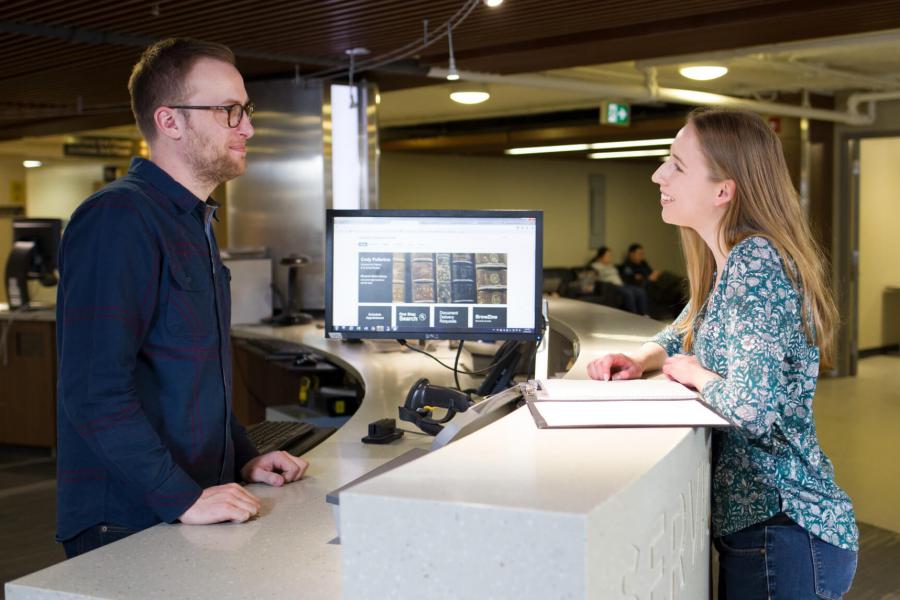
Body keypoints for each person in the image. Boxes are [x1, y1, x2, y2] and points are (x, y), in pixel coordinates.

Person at [587, 108, 857, 599]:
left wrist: (694, 375)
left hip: (784, 527)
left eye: (677, 165)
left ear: (723, 190)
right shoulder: (730, 261)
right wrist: (642, 358)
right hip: (770, 530)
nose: (658, 174)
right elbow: (684, 329)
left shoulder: (755, 262)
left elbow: (752, 410)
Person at [55, 38, 308, 559]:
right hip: (128, 522)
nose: (248, 128)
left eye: (247, 110)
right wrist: (181, 497)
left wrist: (242, 458)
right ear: (169, 121)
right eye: (228, 111)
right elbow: (92, 392)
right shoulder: (118, 218)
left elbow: (194, 380)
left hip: (188, 506)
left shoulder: (194, 223)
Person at [588, 246, 649, 315]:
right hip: (613, 286)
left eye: (610, 256)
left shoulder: (610, 266)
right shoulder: (595, 266)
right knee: (629, 293)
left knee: (641, 291)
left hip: (622, 284)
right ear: (601, 257)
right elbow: (592, 279)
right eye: (608, 256)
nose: (610, 258)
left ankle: (645, 314)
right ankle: (634, 315)